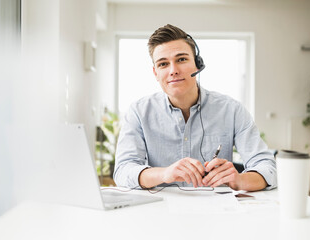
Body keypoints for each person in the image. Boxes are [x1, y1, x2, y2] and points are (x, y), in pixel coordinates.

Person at [113, 24, 277, 191]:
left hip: (217, 210)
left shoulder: (232, 110)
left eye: (181, 59)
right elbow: (123, 171)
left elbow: (267, 168)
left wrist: (240, 180)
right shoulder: (138, 112)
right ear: (156, 73)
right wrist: (164, 174)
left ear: (198, 64)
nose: (173, 70)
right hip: (160, 210)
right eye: (163, 64)